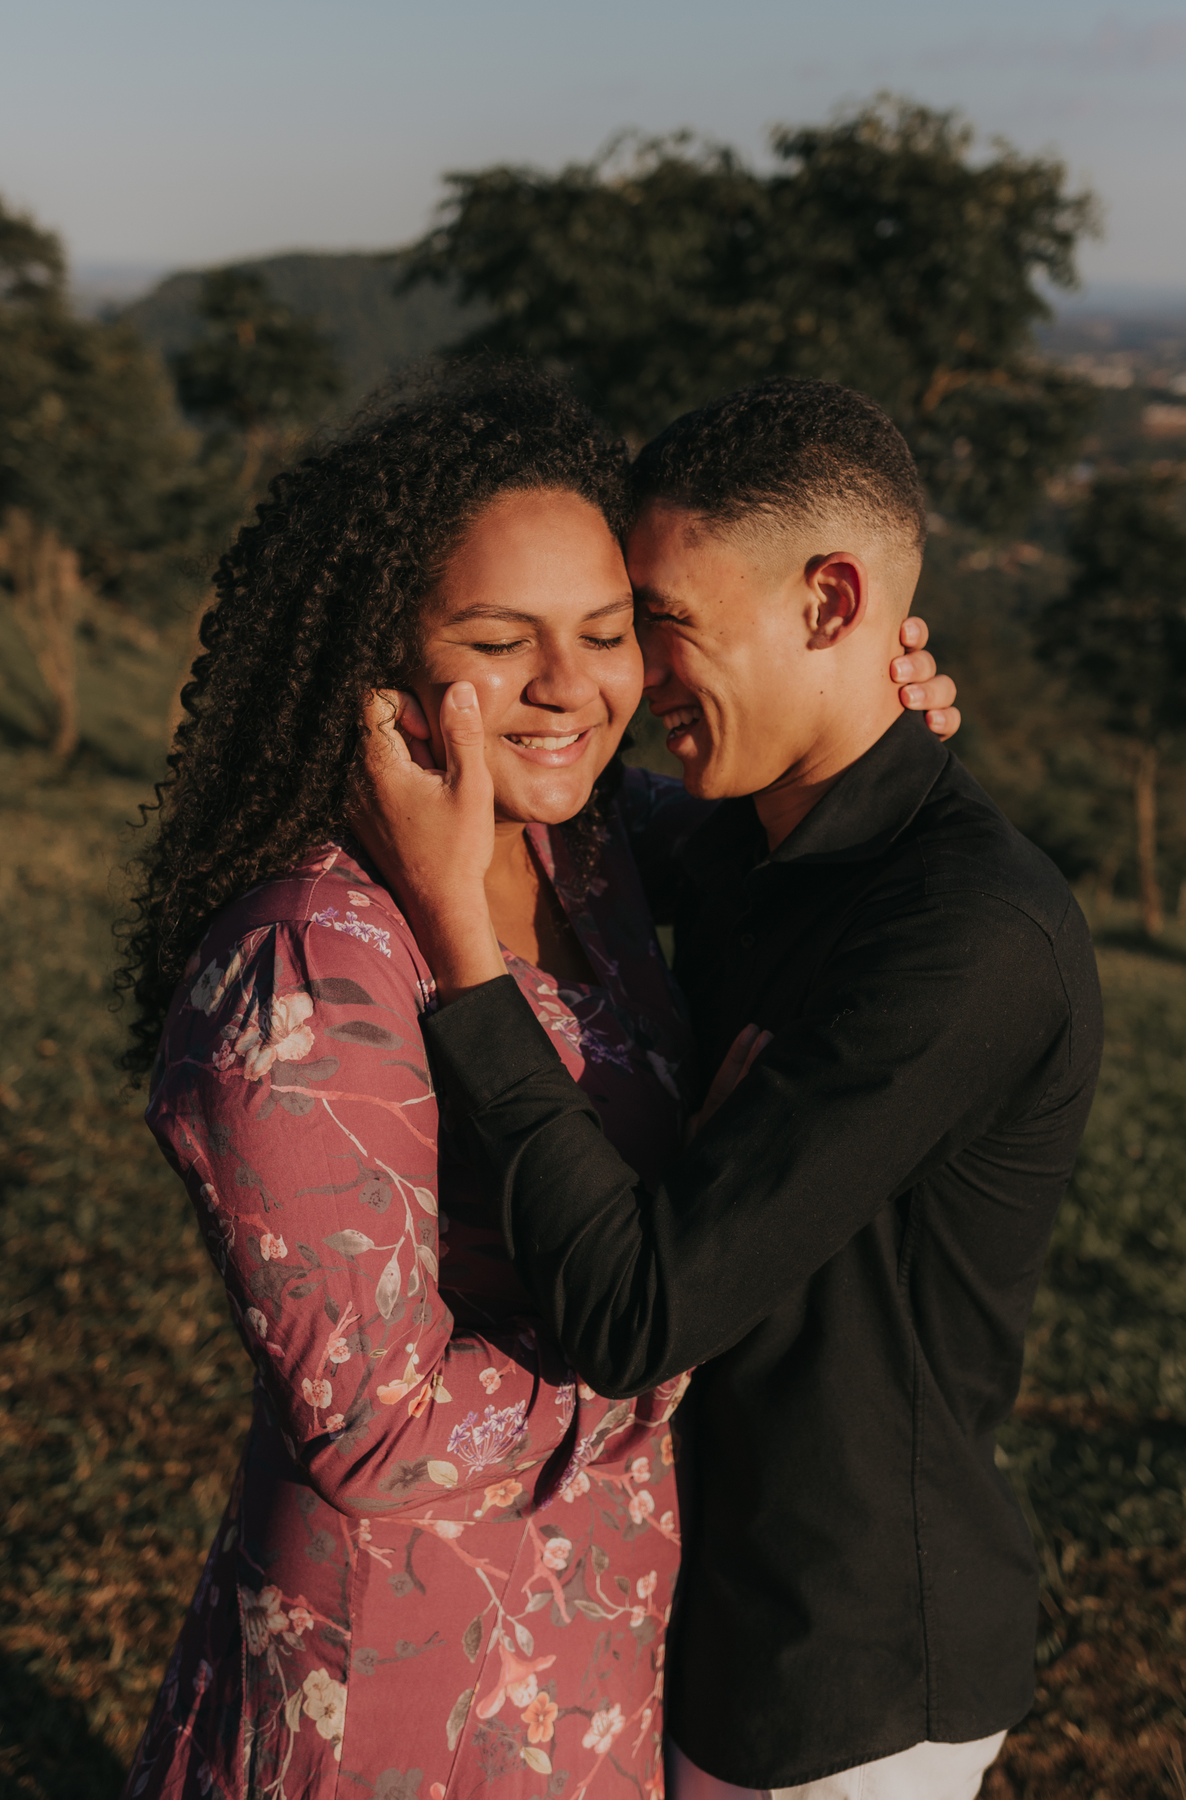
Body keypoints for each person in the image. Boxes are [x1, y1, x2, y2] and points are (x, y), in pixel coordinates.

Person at [119, 367, 956, 1800]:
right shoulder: (309, 966)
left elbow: (763, 799)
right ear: (381, 661)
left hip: (591, 1630)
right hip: (403, 1676)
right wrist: (681, 1304)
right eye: (500, 642)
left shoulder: (587, 842)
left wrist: (879, 692)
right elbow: (372, 1428)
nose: (573, 689)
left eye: (608, 631)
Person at [350, 379, 1104, 1800]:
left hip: (841, 1673)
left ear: (832, 602)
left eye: (662, 626)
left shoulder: (965, 941)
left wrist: (463, 949)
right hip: (707, 1606)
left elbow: (635, 1313)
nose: (636, 675)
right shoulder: (738, 840)